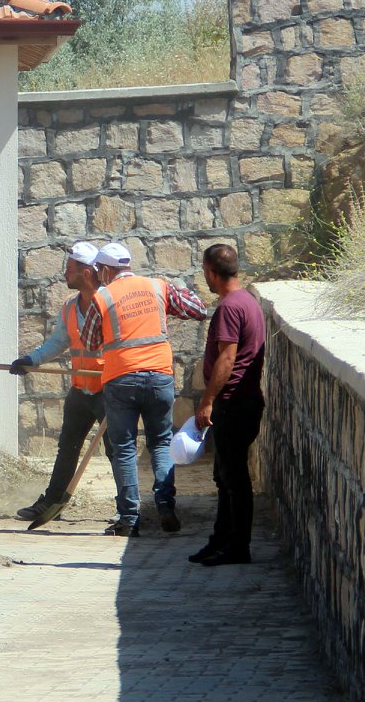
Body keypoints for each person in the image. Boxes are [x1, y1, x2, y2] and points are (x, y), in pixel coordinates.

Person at [88, 240, 208, 537]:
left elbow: (91, 342)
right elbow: (199, 310)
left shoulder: (101, 296)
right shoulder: (158, 287)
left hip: (121, 379)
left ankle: (129, 519)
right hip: (159, 376)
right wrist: (179, 286)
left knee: (124, 448)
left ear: (104, 270)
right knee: (160, 441)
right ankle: (166, 504)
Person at [9, 241, 112, 528]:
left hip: (109, 390)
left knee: (117, 449)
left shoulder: (110, 302)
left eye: (69, 269)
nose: (64, 274)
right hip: (81, 389)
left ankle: (126, 509)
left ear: (87, 272)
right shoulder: (69, 307)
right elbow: (59, 342)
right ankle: (52, 501)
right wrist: (32, 359)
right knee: (67, 447)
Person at [189, 243, 266, 566]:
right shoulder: (247, 301)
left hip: (233, 403)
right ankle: (221, 540)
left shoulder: (229, 308)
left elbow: (227, 357)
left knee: (234, 478)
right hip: (243, 402)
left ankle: (238, 547)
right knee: (225, 475)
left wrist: (207, 400)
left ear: (210, 271)